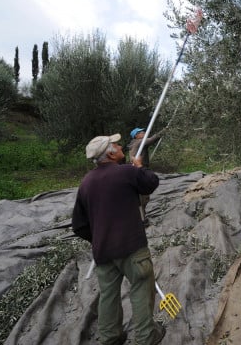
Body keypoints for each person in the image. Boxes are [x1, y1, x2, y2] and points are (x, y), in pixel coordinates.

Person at [72, 133, 166, 345]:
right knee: (141, 289)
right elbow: (151, 182)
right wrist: (139, 167)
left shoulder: (86, 182)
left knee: (108, 295)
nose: (120, 145)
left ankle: (110, 338)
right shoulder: (127, 173)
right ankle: (145, 337)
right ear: (111, 153)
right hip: (132, 248)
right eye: (116, 144)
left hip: (103, 252)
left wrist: (98, 237)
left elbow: (78, 225)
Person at [127, 128, 162, 222]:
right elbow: (151, 140)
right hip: (139, 169)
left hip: (136, 169)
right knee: (143, 196)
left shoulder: (136, 143)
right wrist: (162, 132)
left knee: (142, 196)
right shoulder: (139, 142)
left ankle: (141, 216)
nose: (144, 133)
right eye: (141, 132)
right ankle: (141, 219)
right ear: (136, 136)